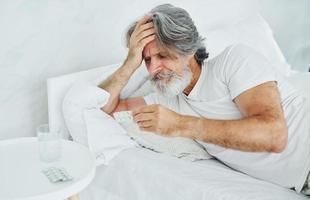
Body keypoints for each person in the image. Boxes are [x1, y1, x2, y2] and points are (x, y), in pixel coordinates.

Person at [98, 4, 310, 194]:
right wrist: (129, 62)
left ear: (188, 48)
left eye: (162, 56)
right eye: (146, 60)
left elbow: (274, 136)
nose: (153, 69)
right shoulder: (167, 100)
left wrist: (181, 125)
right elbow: (103, 108)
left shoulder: (232, 62)